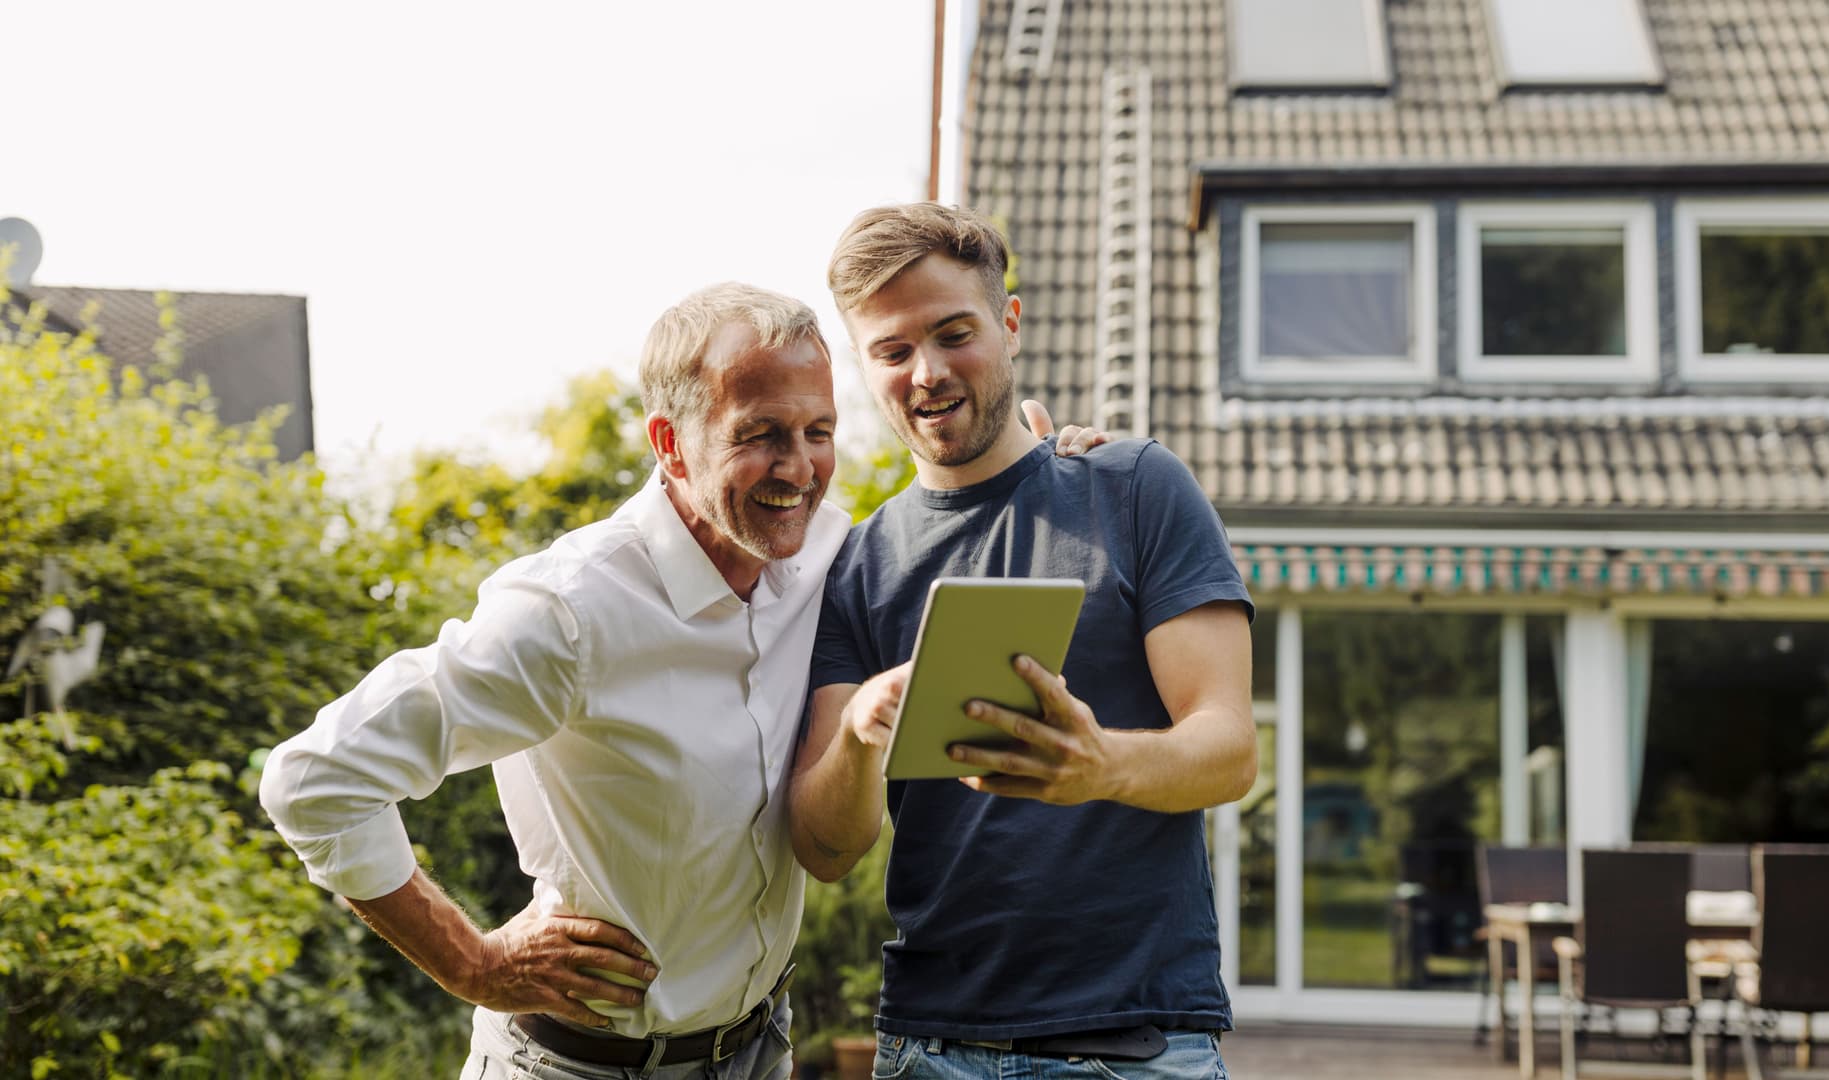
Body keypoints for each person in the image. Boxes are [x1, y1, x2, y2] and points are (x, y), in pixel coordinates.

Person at [260, 282, 1096, 1080]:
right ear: (669, 442)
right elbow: (315, 779)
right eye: (761, 433)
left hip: (759, 1049)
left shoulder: (825, 560)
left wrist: (1047, 467)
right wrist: (472, 962)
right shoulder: (565, 612)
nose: (799, 468)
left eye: (819, 431)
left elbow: (941, 534)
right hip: (574, 1063)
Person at [788, 202, 1258, 1080]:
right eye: (891, 351)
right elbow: (825, 849)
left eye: (952, 333)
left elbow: (1229, 749)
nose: (925, 372)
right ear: (865, 367)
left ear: (1008, 324)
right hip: (929, 1048)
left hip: (1135, 1045)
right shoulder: (855, 566)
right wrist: (857, 738)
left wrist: (1102, 765)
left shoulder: (1136, 489)